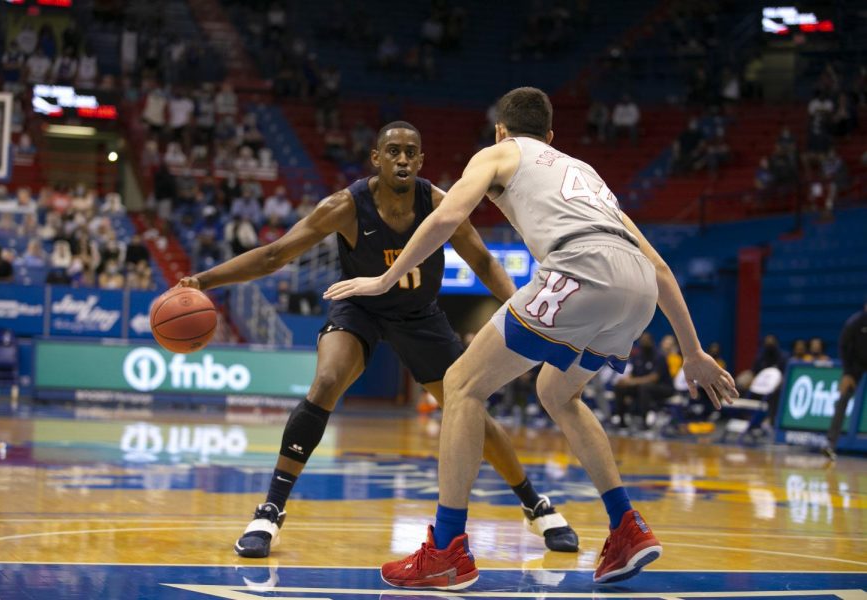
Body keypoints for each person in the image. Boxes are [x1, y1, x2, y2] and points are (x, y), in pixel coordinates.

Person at [326, 88, 737, 589]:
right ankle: (626, 525)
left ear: (502, 130)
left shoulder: (500, 152)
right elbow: (661, 268)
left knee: (460, 385)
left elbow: (448, 216)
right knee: (557, 392)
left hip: (579, 267)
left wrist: (385, 279)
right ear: (550, 137)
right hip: (638, 290)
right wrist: (692, 351)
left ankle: (447, 550)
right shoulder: (586, 174)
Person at [177, 121, 579, 560]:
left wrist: (530, 317)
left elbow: (482, 260)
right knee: (327, 381)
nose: (402, 159)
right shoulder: (345, 206)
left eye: (411, 152)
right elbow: (276, 255)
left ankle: (533, 503)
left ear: (421, 161)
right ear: (376, 158)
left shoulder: (438, 203)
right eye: (393, 152)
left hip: (418, 315)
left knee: (468, 408)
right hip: (360, 309)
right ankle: (269, 510)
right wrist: (202, 280)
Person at [825, 301, 867, 461]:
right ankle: (830, 443)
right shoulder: (856, 322)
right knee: (843, 399)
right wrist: (847, 373)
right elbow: (843, 345)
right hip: (855, 366)